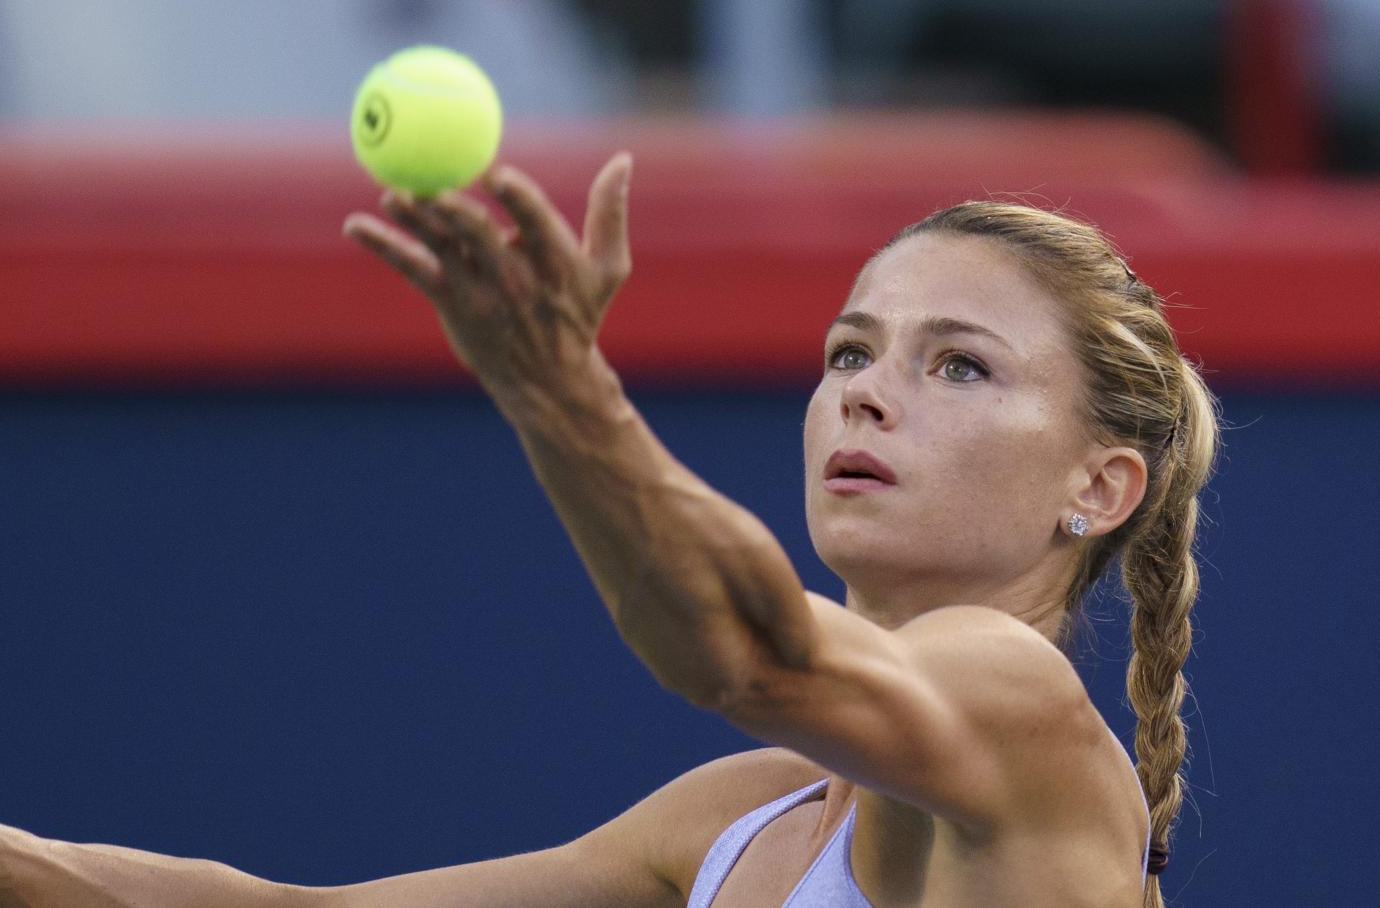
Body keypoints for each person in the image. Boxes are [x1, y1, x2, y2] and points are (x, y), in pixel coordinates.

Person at [0, 153, 1217, 907]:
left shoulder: (1021, 706)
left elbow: (747, 655)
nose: (864, 392)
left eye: (958, 365)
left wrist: (564, 394)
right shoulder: (735, 821)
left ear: (1099, 486)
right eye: (850, 350)